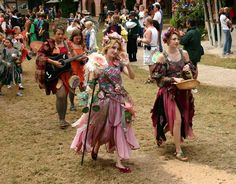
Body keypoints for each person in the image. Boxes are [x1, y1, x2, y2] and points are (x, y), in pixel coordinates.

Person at [71, 33, 139, 173]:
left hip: (119, 100)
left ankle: (119, 161)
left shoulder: (118, 64)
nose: (115, 50)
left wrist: (128, 65)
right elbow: (90, 82)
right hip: (103, 100)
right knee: (101, 128)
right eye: (112, 47)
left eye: (117, 48)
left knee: (119, 128)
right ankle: (95, 146)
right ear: (106, 48)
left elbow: (132, 77)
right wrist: (94, 76)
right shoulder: (97, 62)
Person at [151, 27, 196, 161]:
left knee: (180, 120)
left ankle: (160, 133)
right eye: (173, 39)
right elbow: (158, 79)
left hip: (183, 91)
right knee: (177, 120)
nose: (177, 41)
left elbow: (192, 74)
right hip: (168, 93)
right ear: (167, 41)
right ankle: (178, 151)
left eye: (178, 39)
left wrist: (189, 68)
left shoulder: (184, 53)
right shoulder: (162, 57)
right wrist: (173, 79)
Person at [35, 25, 72, 129]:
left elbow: (69, 56)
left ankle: (63, 119)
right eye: (58, 34)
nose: (60, 36)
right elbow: (40, 56)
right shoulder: (48, 43)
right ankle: (61, 119)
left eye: (62, 34)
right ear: (54, 34)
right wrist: (53, 62)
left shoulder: (66, 43)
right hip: (54, 74)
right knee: (60, 95)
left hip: (66, 73)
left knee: (64, 96)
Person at [68, 29, 87, 111]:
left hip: (81, 68)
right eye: (77, 39)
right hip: (73, 69)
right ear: (73, 37)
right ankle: (72, 104)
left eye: (79, 39)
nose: (78, 40)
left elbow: (85, 54)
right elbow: (76, 57)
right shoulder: (70, 45)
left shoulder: (81, 45)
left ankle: (84, 104)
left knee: (83, 87)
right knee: (73, 87)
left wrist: (85, 57)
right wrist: (83, 57)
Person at [138, 16, 158, 84]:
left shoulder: (149, 30)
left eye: (145, 21)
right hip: (154, 47)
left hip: (150, 48)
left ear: (148, 22)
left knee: (150, 64)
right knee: (154, 63)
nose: (144, 22)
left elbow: (148, 41)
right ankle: (153, 76)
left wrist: (140, 40)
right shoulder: (154, 29)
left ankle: (152, 77)